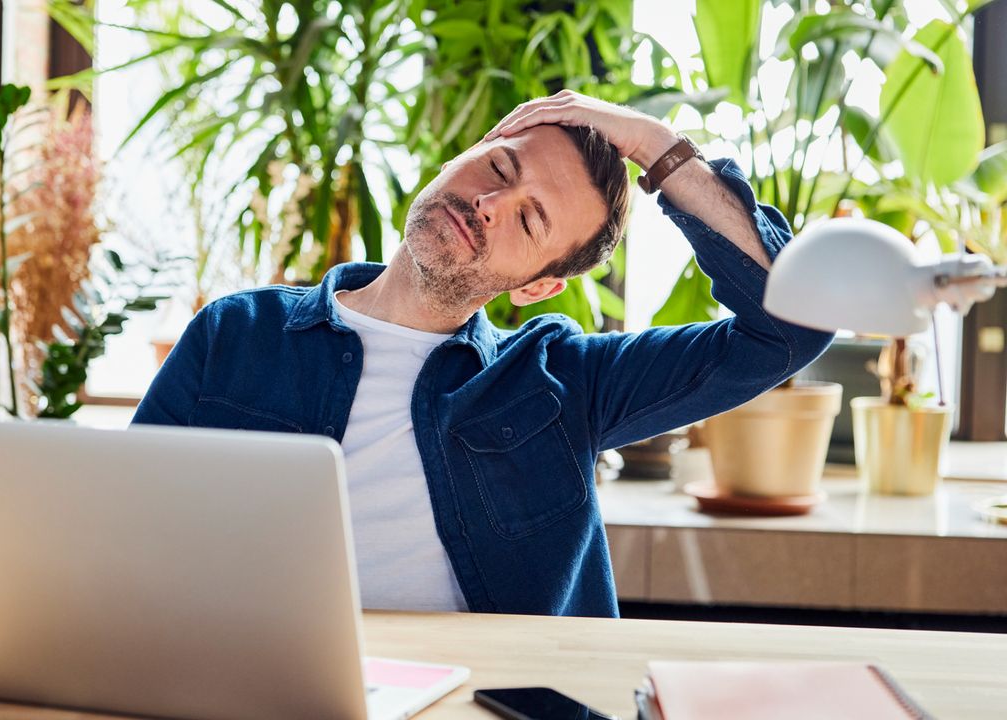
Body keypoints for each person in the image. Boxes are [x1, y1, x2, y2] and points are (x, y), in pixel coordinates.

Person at [131, 91, 834, 617]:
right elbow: (124, 531)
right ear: (458, 156)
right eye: (498, 166)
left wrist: (655, 144)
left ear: (538, 286)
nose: (491, 203)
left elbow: (791, 327)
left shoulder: (564, 385)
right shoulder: (237, 333)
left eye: (529, 219)